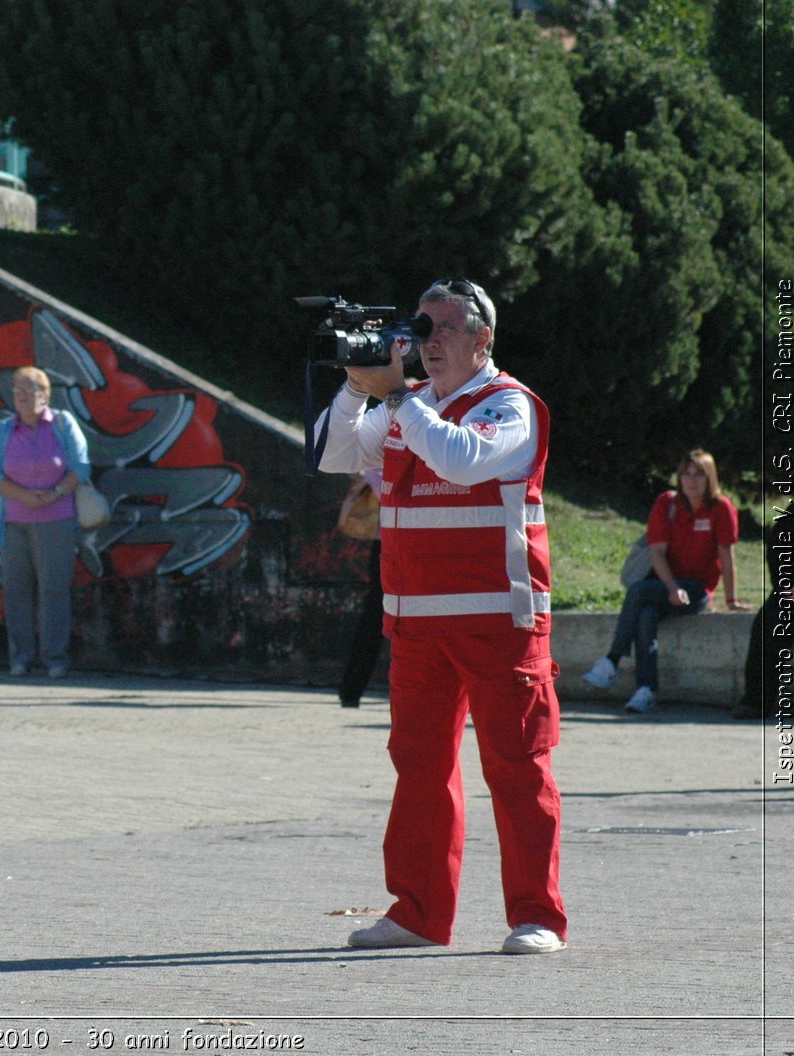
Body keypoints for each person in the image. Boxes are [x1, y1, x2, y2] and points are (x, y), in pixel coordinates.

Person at [317, 277, 567, 955]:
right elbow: (334, 454)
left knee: (517, 766)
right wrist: (354, 386)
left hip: (498, 624)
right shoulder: (412, 404)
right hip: (418, 627)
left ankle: (537, 915)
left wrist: (394, 395)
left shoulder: (510, 405)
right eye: (423, 328)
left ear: (483, 339)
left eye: (447, 328)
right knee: (419, 768)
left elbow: (459, 462)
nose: (431, 342)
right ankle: (418, 914)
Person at [583, 449, 745, 713]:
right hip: (665, 586)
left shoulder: (721, 508)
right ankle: (646, 690)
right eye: (686, 474)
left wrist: (731, 600)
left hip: (698, 590)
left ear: (711, 478)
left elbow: (726, 556)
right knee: (646, 613)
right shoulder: (666, 504)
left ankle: (612, 660)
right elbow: (657, 553)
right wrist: (671, 588)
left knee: (638, 592)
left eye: (699, 475)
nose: (692, 481)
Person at [0, 366, 91, 679]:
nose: (23, 396)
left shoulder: (62, 424)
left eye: (30, 390)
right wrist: (22, 495)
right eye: (18, 390)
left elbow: (80, 468)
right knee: (17, 590)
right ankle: (20, 657)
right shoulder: (4, 430)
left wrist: (56, 493)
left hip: (57, 520)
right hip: (14, 521)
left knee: (53, 590)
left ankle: (55, 658)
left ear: (45, 395)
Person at [733, 499, 794, 719]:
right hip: (793, 594)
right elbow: (777, 550)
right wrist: (787, 586)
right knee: (768, 626)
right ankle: (756, 701)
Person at [336, 468, 384, 708]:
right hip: (390, 542)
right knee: (375, 617)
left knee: (375, 618)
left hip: (395, 539)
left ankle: (351, 689)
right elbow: (375, 475)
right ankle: (351, 689)